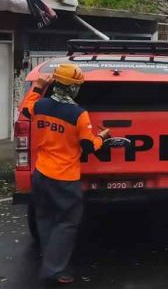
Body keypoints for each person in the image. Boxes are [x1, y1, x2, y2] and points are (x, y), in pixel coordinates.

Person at [21, 64, 109, 284]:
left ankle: (50, 258)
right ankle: (53, 270)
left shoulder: (40, 106)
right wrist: (103, 138)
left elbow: (25, 109)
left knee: (45, 219)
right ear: (72, 88)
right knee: (66, 222)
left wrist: (38, 87)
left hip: (41, 173)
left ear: (55, 84)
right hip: (64, 178)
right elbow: (89, 147)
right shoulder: (79, 115)